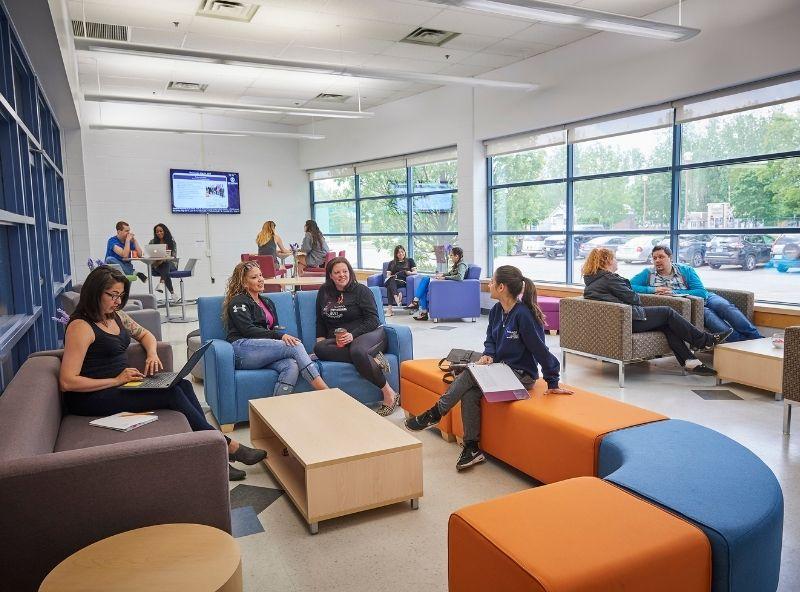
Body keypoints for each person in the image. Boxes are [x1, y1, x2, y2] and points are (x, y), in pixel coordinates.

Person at [58, 266, 266, 482]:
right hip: (91, 397)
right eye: (112, 295)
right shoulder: (80, 327)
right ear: (95, 292)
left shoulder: (115, 316)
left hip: (120, 385)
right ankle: (227, 447)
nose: (118, 301)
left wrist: (151, 353)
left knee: (183, 385)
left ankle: (215, 453)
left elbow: (145, 334)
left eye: (120, 295)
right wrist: (116, 379)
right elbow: (67, 382)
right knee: (171, 394)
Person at [405, 265, 573, 470]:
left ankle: (435, 413)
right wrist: (488, 355)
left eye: (492, 282)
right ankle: (472, 447)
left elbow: (541, 350)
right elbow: (490, 340)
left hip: (521, 376)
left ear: (501, 287)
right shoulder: (496, 311)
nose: (489, 285)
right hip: (499, 368)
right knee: (469, 391)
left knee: (469, 375)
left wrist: (552, 380)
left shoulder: (524, 315)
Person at [582, 248, 733, 376]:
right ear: (607, 261)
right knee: (667, 312)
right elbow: (635, 300)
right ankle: (703, 340)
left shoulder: (594, 280)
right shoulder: (610, 279)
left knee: (667, 325)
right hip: (627, 320)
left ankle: (691, 362)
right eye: (614, 258)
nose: (616, 261)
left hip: (616, 320)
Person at [224, 260, 329, 395]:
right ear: (244, 283)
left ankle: (277, 407)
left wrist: (280, 338)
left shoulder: (267, 302)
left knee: (291, 365)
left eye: (261, 275)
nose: (260, 279)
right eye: (254, 277)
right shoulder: (238, 301)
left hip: (263, 351)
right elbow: (247, 330)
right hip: (243, 349)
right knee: (294, 346)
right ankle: (326, 392)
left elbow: (273, 329)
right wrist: (281, 337)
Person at [313, 257, 398, 416]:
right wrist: (321, 344)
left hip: (369, 334)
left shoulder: (361, 291)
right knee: (319, 348)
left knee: (358, 351)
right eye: (337, 272)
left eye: (345, 271)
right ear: (330, 275)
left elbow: (374, 320)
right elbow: (320, 321)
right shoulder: (324, 291)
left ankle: (389, 393)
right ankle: (372, 358)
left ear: (350, 272)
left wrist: (353, 335)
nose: (341, 275)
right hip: (342, 340)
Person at [630, 245, 762, 343]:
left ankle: (757, 338)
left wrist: (674, 291)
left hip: (705, 297)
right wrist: (653, 290)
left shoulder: (686, 270)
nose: (657, 260)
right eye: (654, 258)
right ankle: (740, 343)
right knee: (708, 314)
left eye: (661, 257)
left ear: (670, 257)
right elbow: (629, 286)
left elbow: (700, 291)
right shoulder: (648, 273)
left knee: (724, 307)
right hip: (689, 305)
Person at [407, 246, 468, 321]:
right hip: (447, 285)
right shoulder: (458, 264)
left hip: (448, 287)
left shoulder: (462, 265)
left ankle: (416, 302)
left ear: (456, 256)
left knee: (425, 280)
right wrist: (442, 275)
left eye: (451, 255)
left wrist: (444, 278)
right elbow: (450, 273)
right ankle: (422, 311)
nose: (450, 257)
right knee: (424, 287)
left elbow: (459, 277)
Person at [384, 245, 416, 317]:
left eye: (402, 252)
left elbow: (415, 272)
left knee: (391, 283)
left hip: (402, 281)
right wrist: (391, 277)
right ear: (396, 254)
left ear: (404, 252)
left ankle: (390, 310)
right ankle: (397, 296)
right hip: (393, 281)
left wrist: (409, 273)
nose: (401, 254)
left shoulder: (410, 261)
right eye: (398, 252)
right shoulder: (392, 263)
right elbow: (388, 275)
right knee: (391, 281)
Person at [150, 223, 178, 301]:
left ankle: (161, 282)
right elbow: (149, 255)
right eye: (157, 232)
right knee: (165, 271)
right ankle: (172, 293)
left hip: (171, 265)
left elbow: (173, 257)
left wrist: (163, 260)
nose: (159, 233)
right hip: (156, 265)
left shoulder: (171, 242)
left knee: (166, 264)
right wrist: (159, 261)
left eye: (161, 231)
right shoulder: (152, 242)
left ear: (165, 231)